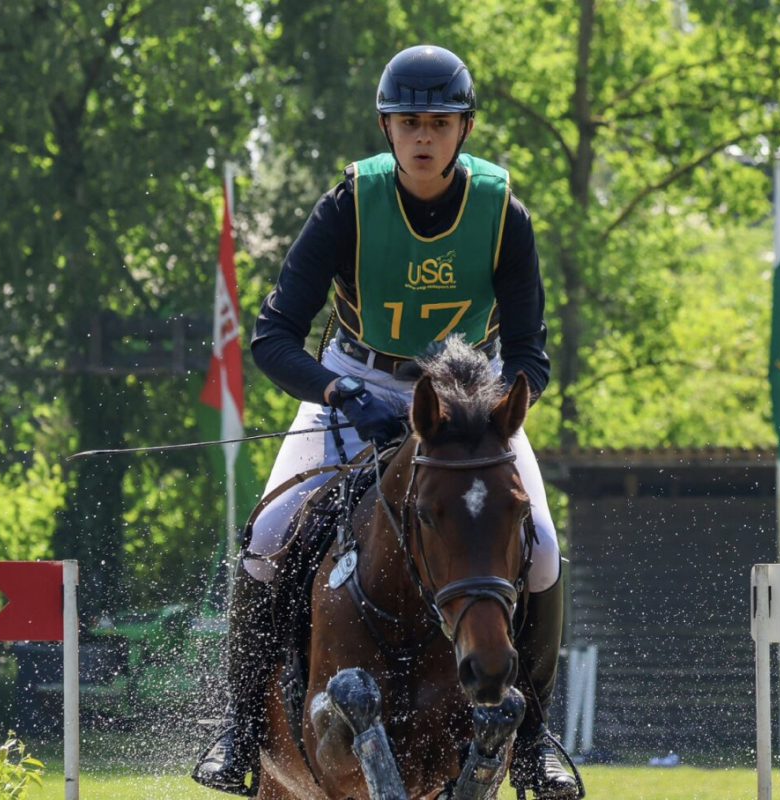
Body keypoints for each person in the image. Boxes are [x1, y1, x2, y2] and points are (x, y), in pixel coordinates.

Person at [193, 45, 576, 800]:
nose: (423, 136)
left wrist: (495, 414)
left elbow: (530, 349)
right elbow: (271, 336)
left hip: (467, 403)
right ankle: (239, 728)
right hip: (355, 381)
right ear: (386, 127)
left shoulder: (503, 213)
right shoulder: (348, 206)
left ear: (464, 128)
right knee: (268, 541)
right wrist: (340, 394)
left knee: (541, 553)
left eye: (439, 121)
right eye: (408, 123)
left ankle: (534, 741)